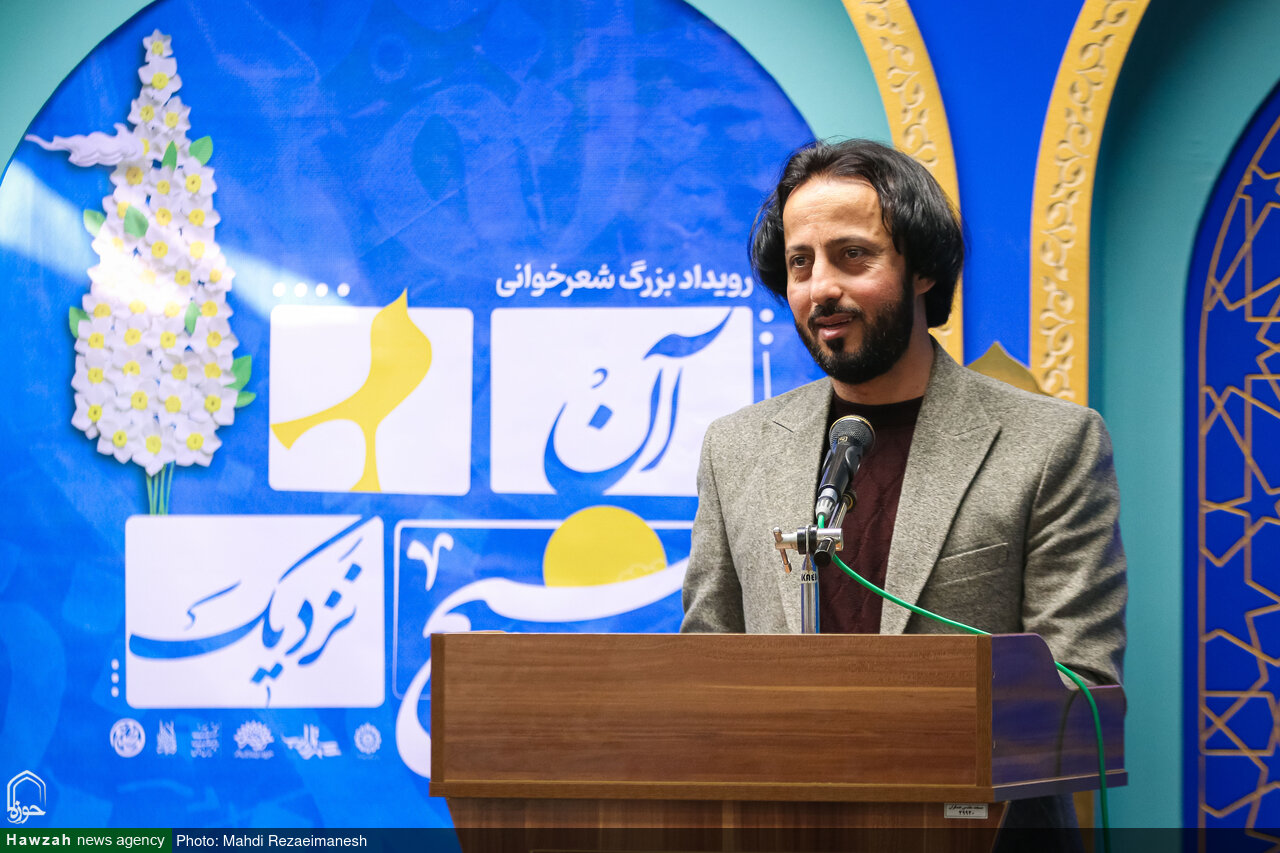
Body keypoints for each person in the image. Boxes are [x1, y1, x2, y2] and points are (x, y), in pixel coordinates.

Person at [679, 138, 1126, 833]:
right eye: (800, 263)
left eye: (852, 255)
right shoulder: (736, 448)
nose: (821, 287)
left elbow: (1081, 692)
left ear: (921, 269)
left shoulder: (1051, 443)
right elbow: (704, 669)